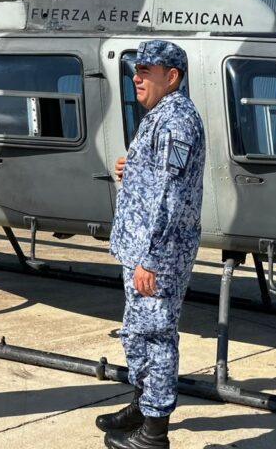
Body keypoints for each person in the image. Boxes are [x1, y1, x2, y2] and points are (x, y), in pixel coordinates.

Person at [97, 40, 205, 449]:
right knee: (137, 334)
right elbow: (158, 176)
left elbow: (171, 196)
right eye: (135, 71)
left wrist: (154, 259)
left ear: (171, 76)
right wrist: (134, 166)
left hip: (158, 254)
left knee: (156, 337)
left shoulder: (176, 120)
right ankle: (142, 407)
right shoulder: (160, 115)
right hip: (141, 249)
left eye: (146, 71)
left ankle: (154, 434)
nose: (136, 78)